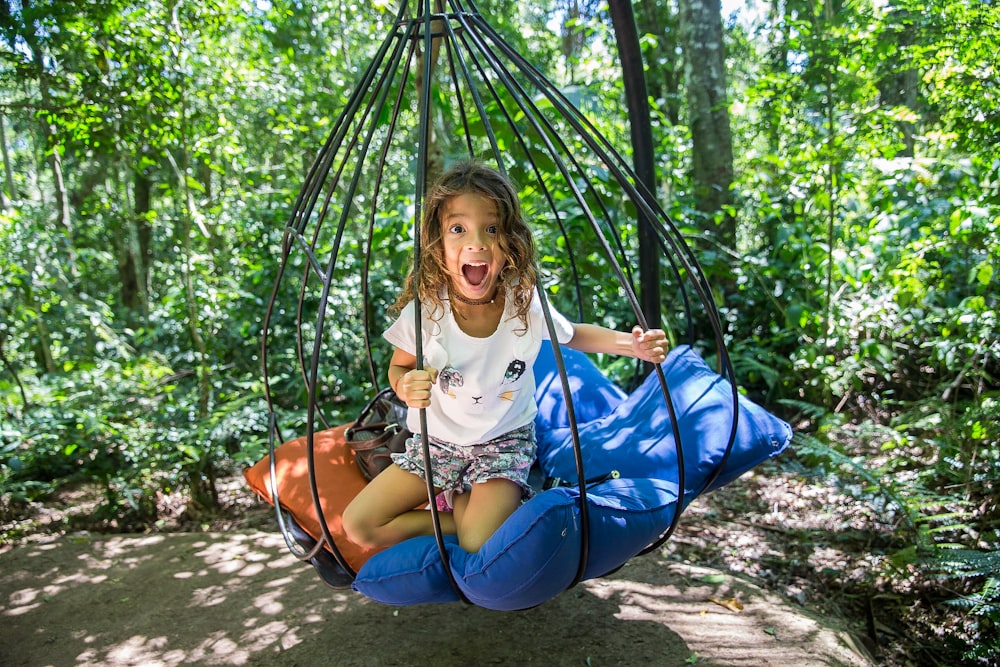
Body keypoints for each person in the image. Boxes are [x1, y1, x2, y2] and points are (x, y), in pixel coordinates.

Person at [342, 162, 668, 554]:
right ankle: (456, 513)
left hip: (503, 442)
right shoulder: (425, 311)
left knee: (477, 541)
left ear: (510, 241)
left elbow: (574, 334)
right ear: (437, 244)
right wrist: (403, 385)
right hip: (437, 444)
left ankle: (476, 509)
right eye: (458, 229)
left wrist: (630, 345)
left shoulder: (523, 303)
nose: (477, 242)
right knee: (359, 525)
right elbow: (399, 365)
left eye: (491, 229)